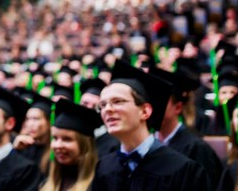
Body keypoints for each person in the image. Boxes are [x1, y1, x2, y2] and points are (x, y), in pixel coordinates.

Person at [91, 60, 211, 190]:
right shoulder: (104, 167)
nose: (107, 109)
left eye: (118, 101)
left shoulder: (182, 170)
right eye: (102, 105)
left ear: (145, 111)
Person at [40, 99, 102, 191]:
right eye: (55, 138)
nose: (58, 145)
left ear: (85, 146)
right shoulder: (47, 182)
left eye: (67, 139)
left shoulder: (98, 185)